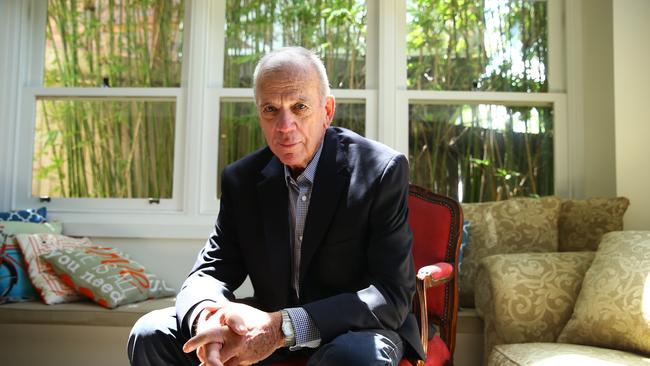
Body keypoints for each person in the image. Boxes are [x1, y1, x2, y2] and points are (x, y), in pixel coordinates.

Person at [128, 46, 425, 366]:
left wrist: (282, 326)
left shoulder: (379, 170)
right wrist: (207, 319)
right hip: (265, 320)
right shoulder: (242, 179)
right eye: (271, 109)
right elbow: (209, 272)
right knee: (150, 332)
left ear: (327, 110)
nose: (285, 126)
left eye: (299, 107)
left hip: (354, 329)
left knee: (352, 358)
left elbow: (390, 294)